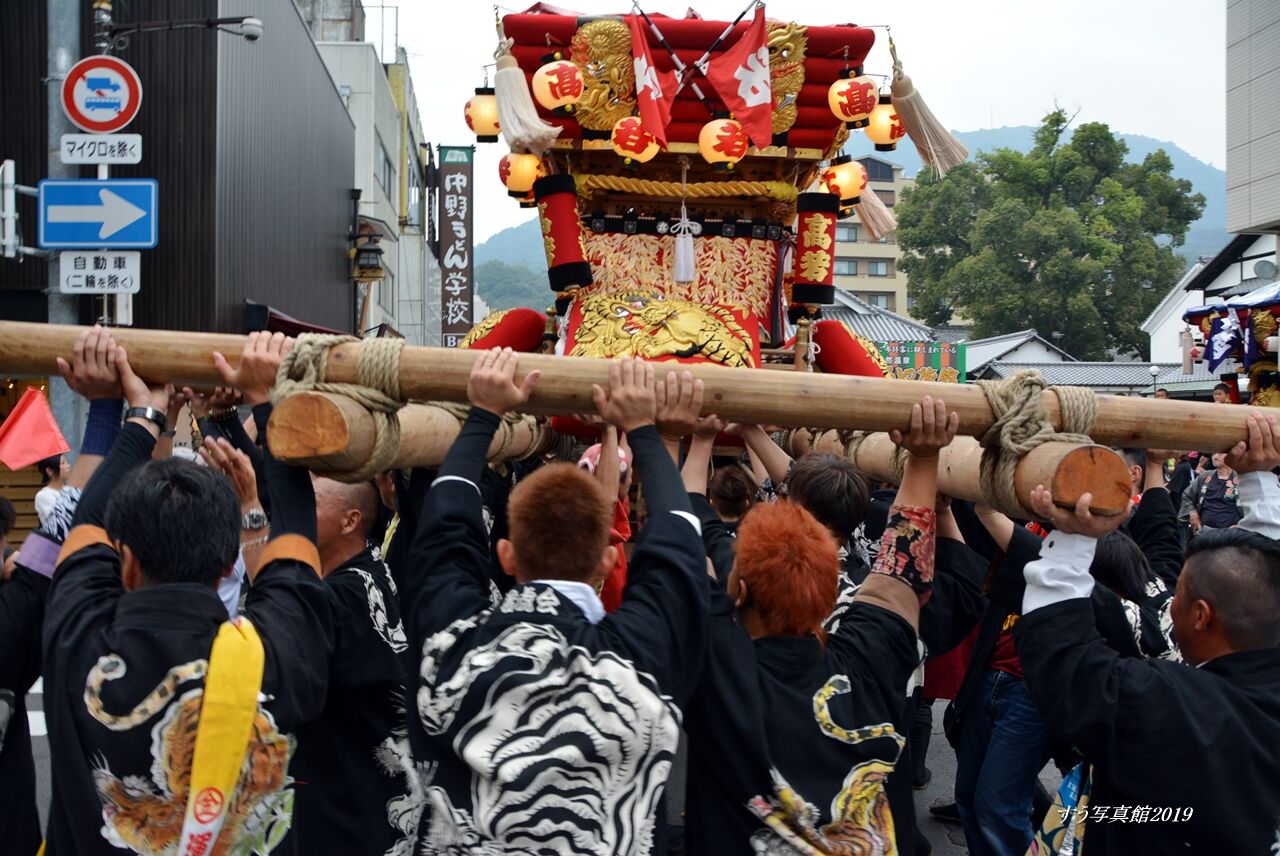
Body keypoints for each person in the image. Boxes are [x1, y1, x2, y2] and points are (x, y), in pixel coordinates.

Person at [400, 352, 709, 853]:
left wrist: (482, 415)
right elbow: (679, 547)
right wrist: (647, 432)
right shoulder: (637, 663)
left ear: (505, 555)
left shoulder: (455, 649)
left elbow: (443, 537)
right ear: (610, 560)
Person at [41, 336, 334, 855]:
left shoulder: (77, 638)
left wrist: (141, 416)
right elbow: (296, 529)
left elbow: (85, 522)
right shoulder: (273, 653)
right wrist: (267, 399)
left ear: (126, 562)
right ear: (229, 563)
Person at [681, 395, 960, 853]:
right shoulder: (870, 646)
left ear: (741, 593)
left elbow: (689, 522)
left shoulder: (720, 673)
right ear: (834, 578)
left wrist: (695, 439)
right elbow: (900, 563)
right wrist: (925, 457)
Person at [1013, 411, 1280, 853]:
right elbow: (1265, 577)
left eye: (1176, 594)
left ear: (1200, 616)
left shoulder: (1174, 707)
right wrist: (1259, 478)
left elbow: (1063, 657)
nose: (1166, 602)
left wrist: (1076, 535)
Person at [212, 332, 416, 854]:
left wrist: (252, 508)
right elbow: (282, 517)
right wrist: (224, 423)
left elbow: (283, 607)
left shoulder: (343, 593)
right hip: (363, 788)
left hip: (344, 804)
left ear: (351, 519)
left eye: (316, 493)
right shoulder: (367, 569)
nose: (300, 503)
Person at [1180, 451, 1242, 535]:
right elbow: (1187, 496)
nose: (1215, 457)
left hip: (1231, 535)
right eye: (1213, 454)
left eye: (1220, 454)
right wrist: (1192, 513)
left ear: (1231, 456)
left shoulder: (1241, 479)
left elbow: (1253, 504)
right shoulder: (1205, 476)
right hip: (1205, 532)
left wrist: (1242, 525)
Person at [34, 453, 71, 527]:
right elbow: (58, 522)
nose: (68, 466)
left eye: (67, 462)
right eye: (63, 463)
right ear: (50, 471)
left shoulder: (70, 491)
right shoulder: (44, 496)